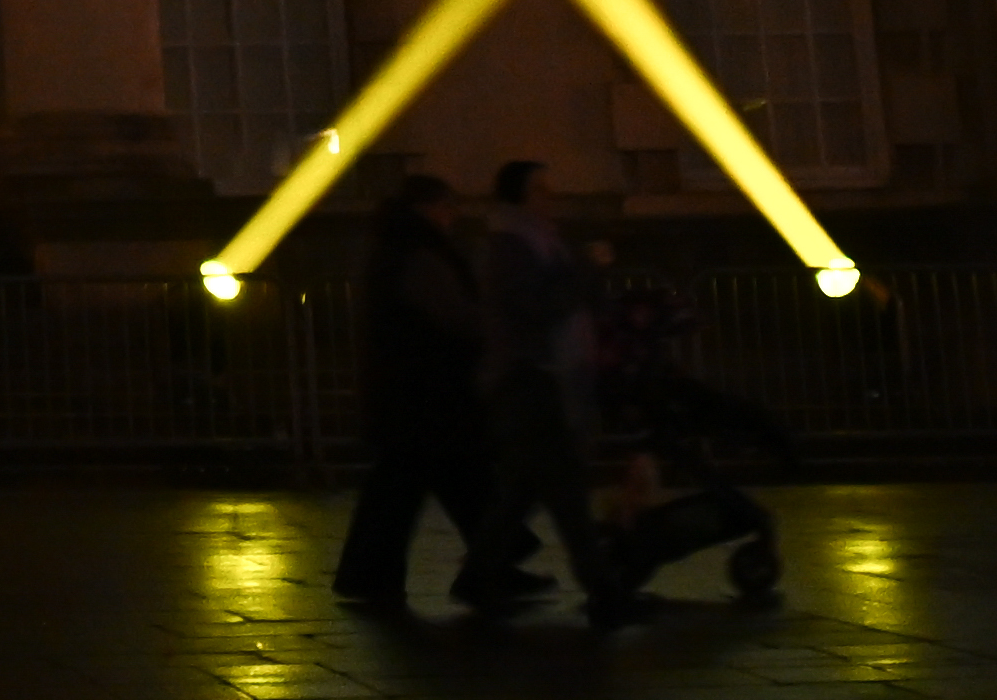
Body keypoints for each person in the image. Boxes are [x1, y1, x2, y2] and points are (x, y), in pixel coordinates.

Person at [327, 170, 537, 614]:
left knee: (419, 483)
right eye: (447, 206)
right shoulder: (422, 256)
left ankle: (379, 575)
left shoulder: (394, 251)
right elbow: (457, 318)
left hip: (410, 391)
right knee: (447, 478)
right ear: (428, 208)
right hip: (429, 391)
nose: (453, 215)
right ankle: (488, 565)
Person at [572, 248, 786, 616]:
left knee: (640, 477)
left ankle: (620, 550)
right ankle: (620, 563)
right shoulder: (633, 361)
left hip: (645, 420)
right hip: (647, 422)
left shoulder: (633, 358)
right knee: (640, 480)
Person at [468, 159, 608, 609]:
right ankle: (603, 588)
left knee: (526, 488)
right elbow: (537, 306)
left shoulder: (537, 241)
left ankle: (477, 576)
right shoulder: (513, 246)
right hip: (530, 377)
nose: (551, 198)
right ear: (519, 198)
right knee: (565, 489)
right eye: (541, 190)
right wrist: (584, 269)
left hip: (538, 376)